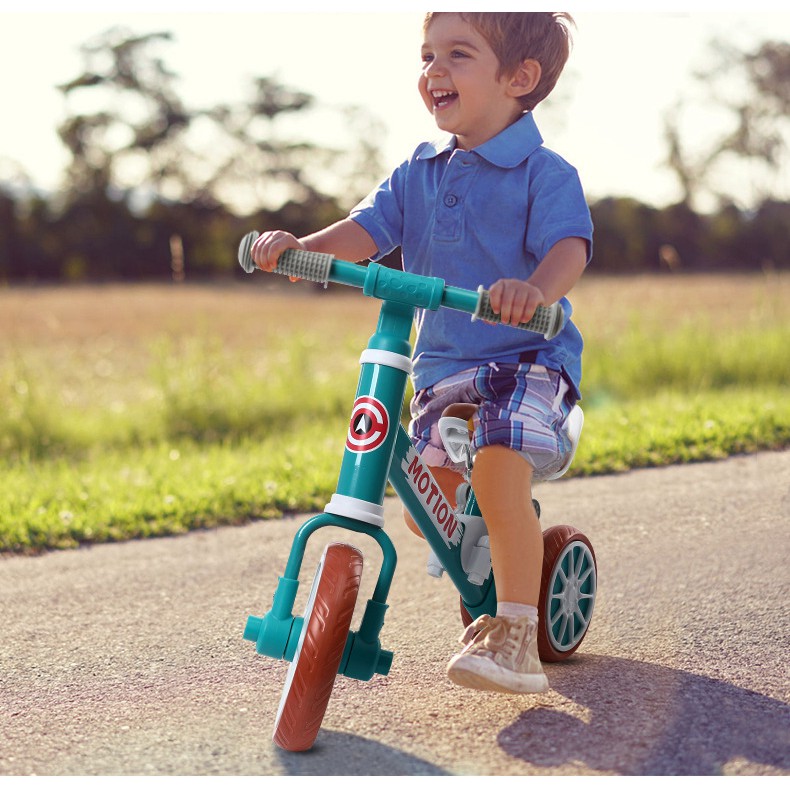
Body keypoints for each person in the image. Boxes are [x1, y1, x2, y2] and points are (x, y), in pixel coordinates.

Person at [249, 11, 593, 695]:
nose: (434, 71)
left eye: (457, 55)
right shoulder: (418, 171)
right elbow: (368, 229)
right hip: (442, 370)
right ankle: (496, 563)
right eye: (427, 55)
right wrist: (303, 252)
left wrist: (533, 291)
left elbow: (569, 247)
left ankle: (518, 631)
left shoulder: (544, 172)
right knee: (425, 506)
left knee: (495, 470)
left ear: (519, 78)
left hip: (525, 362)